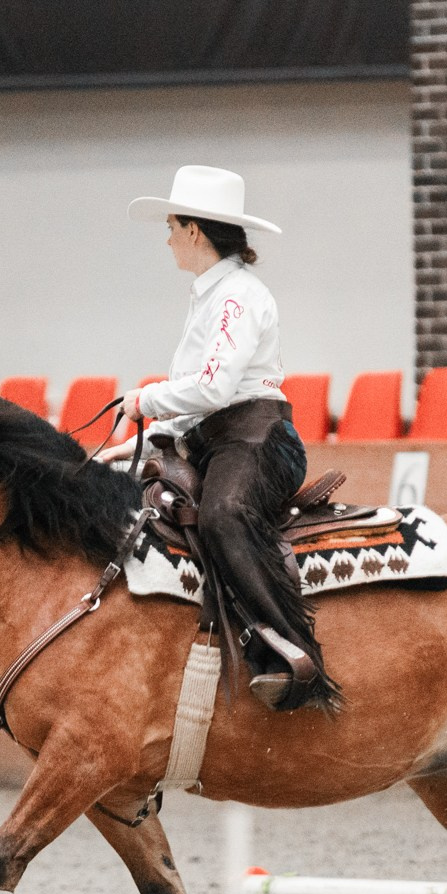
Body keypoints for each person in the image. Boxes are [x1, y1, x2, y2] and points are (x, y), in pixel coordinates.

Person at [101, 165, 337, 712]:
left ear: (194, 231)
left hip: (257, 440)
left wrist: (144, 401)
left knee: (223, 515)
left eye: (171, 227)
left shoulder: (236, 297)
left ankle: (293, 654)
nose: (167, 239)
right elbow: (198, 399)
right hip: (214, 440)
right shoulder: (211, 295)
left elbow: (213, 387)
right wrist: (140, 443)